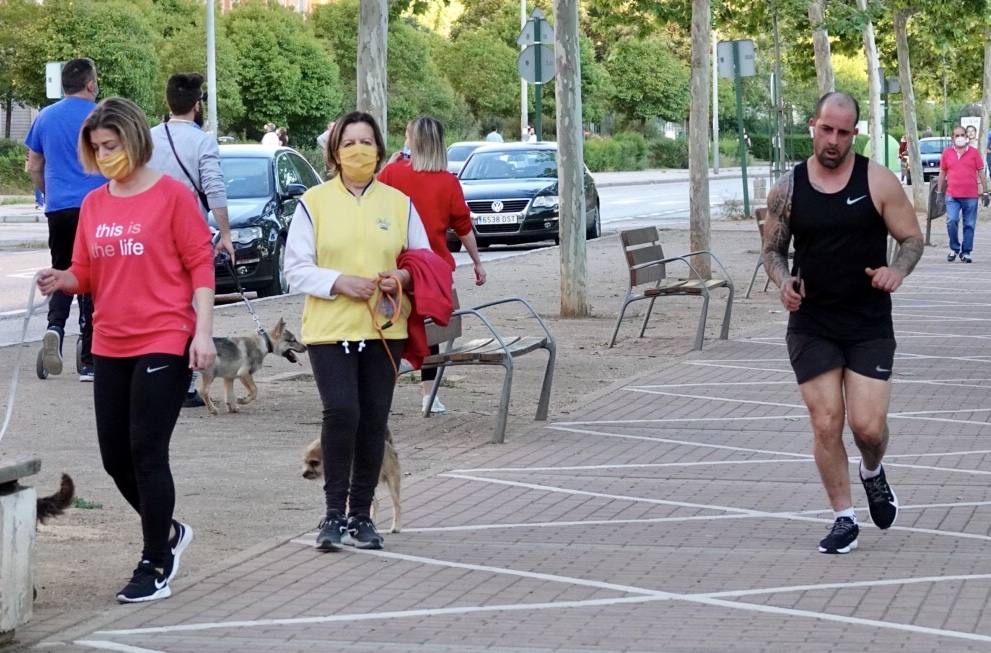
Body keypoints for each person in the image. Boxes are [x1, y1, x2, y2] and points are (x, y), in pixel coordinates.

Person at [36, 97, 216, 602]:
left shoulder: (173, 197)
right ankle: (170, 531)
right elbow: (86, 273)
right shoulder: (94, 204)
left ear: (134, 140)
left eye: (110, 145)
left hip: (164, 335)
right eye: (96, 148)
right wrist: (61, 279)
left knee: (146, 450)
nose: (104, 154)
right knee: (115, 457)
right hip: (110, 339)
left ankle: (154, 562)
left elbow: (201, 267)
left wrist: (201, 333)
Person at [762, 92, 923, 555]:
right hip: (812, 323)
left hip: (868, 322)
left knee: (868, 428)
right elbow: (772, 249)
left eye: (843, 132)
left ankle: (872, 471)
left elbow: (911, 238)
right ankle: (843, 518)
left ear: (855, 134)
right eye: (826, 129)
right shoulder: (787, 189)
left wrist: (897, 269)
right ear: (813, 125)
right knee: (826, 421)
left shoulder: (878, 180)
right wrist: (783, 280)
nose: (832, 140)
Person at [284, 111, 432, 551]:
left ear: (380, 150)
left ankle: (361, 516)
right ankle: (332, 514)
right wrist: (337, 282)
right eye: (349, 143)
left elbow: (422, 259)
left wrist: (401, 279)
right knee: (342, 412)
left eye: (367, 142)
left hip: (385, 328)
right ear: (334, 152)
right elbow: (295, 269)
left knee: (373, 420)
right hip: (330, 329)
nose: (359, 150)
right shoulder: (314, 203)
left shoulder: (398, 203)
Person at [378, 116, 487, 414]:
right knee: (431, 333)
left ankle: (381, 394)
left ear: (413, 141)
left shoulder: (392, 174)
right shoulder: (448, 182)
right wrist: (477, 263)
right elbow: (463, 226)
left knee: (391, 328)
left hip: (394, 267)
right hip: (433, 272)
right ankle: (429, 395)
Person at [148, 72, 234, 408]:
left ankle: (152, 374)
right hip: (187, 236)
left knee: (156, 307)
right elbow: (213, 188)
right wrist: (225, 234)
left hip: (150, 234)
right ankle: (182, 385)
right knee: (187, 309)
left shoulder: (149, 138)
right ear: (197, 105)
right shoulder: (203, 142)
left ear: (168, 102)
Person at [24, 57, 105, 381]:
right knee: (91, 278)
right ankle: (88, 357)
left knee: (62, 270)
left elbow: (33, 166)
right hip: (97, 209)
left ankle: (55, 327)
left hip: (59, 210)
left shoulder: (44, 117)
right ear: (90, 84)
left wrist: (49, 193)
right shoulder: (101, 116)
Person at [936, 125, 990, 263]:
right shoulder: (947, 153)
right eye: (956, 135)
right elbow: (942, 173)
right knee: (951, 221)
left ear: (966, 136)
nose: (959, 138)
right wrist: (939, 192)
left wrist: (985, 192)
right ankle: (954, 248)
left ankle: (966, 252)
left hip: (971, 196)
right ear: (952, 138)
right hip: (952, 195)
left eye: (962, 135)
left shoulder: (974, 153)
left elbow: (981, 172)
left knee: (969, 225)